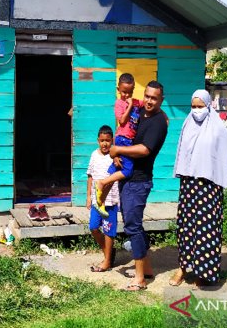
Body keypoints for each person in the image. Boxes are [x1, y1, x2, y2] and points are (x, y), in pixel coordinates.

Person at [170, 89, 227, 288]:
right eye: (194, 106)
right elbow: (182, 153)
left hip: (209, 187)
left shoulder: (218, 129)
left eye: (200, 106)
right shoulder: (187, 124)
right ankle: (183, 267)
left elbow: (226, 155)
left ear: (208, 106)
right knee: (186, 227)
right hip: (189, 185)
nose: (197, 110)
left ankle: (203, 272)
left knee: (206, 228)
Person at [110, 80, 168, 291]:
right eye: (148, 96)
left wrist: (118, 150)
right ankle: (148, 268)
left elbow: (144, 150)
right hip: (128, 177)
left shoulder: (159, 122)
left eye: (154, 98)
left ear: (161, 100)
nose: (149, 101)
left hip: (139, 181)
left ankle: (140, 279)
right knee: (132, 224)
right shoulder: (141, 109)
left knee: (132, 227)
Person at [94, 73, 141, 218]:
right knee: (127, 171)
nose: (127, 95)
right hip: (122, 139)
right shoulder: (119, 103)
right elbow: (122, 121)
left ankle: (100, 200)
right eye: (124, 92)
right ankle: (101, 184)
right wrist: (130, 105)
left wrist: (163, 115)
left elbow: (147, 105)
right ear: (118, 89)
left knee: (116, 169)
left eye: (130, 92)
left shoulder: (135, 101)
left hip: (129, 140)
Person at [86, 125, 119, 272]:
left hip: (111, 199)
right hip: (96, 200)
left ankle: (106, 261)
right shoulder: (94, 155)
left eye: (107, 140)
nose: (104, 143)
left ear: (112, 140)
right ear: (98, 141)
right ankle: (108, 253)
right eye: (102, 140)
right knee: (93, 227)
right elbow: (90, 176)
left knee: (108, 230)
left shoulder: (115, 155)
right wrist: (88, 196)